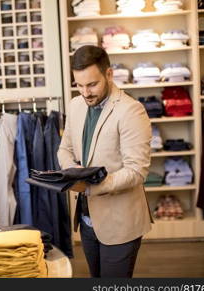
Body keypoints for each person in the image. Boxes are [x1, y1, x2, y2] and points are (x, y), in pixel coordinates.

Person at [57, 45, 153, 278]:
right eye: (79, 85)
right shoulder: (75, 105)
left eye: (92, 84)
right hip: (87, 219)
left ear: (109, 74)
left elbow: (137, 171)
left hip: (121, 222)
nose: (85, 92)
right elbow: (65, 149)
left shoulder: (131, 111)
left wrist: (91, 186)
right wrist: (72, 172)